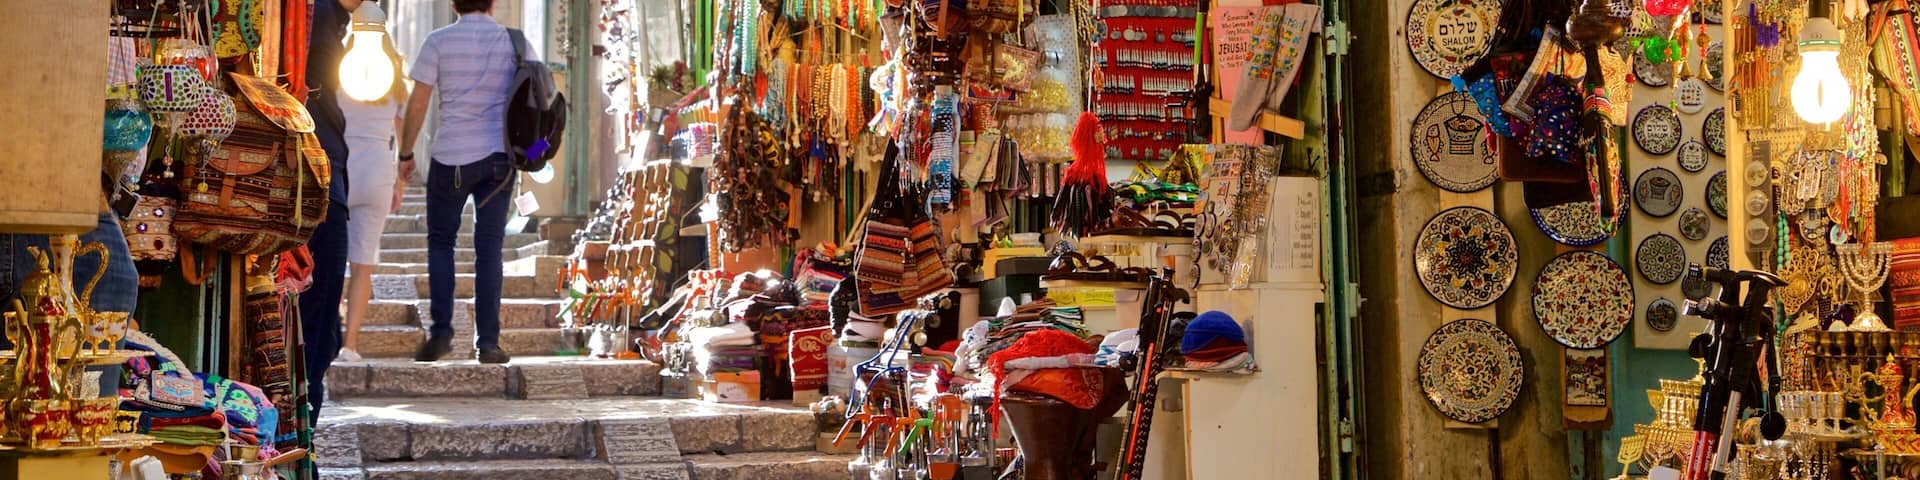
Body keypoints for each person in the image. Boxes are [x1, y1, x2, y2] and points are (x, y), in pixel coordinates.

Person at [398, 0, 535, 364]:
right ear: (491, 3)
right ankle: (488, 342)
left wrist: (406, 154)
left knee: (441, 242)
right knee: (489, 248)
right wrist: (534, 152)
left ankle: (441, 332)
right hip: (498, 160)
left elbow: (418, 103)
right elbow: (541, 98)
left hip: (450, 157)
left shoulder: (438, 41)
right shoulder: (515, 42)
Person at [300, 0, 364, 425]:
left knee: (321, 333)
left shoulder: (333, 19)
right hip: (313, 180)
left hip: (327, 177)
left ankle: (304, 444)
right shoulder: (316, 14)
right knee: (315, 330)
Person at [335, 4, 409, 363]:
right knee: (363, 263)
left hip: (341, 166)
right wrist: (399, 185)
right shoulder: (393, 84)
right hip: (379, 169)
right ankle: (350, 345)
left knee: (330, 256)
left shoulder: (341, 74)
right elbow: (403, 138)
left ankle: (331, 320)